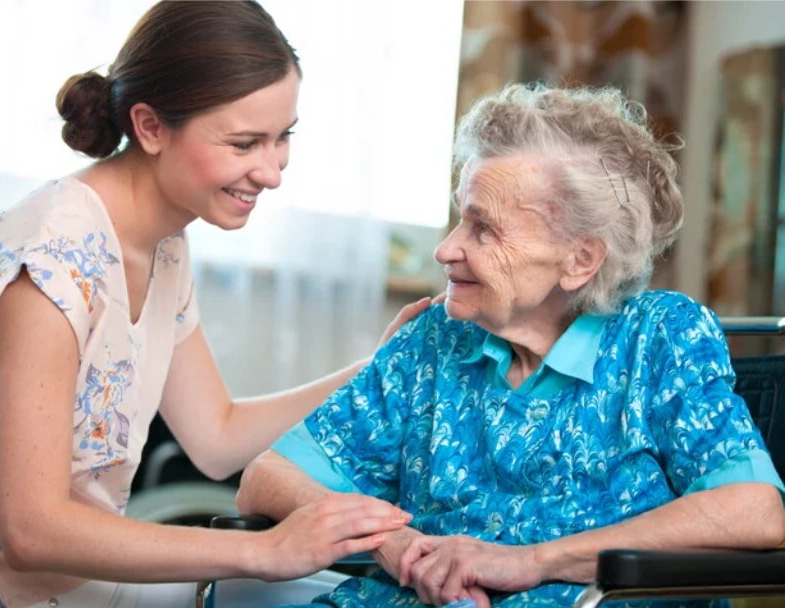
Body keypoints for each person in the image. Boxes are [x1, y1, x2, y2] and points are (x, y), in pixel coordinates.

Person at [0, 2, 426, 606]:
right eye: (244, 143)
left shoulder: (162, 242)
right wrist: (266, 550)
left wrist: (377, 368)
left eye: (283, 137)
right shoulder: (51, 266)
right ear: (151, 127)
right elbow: (34, 532)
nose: (272, 172)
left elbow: (216, 436)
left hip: (71, 583)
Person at [237, 84, 785, 608]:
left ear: (580, 260)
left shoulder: (659, 336)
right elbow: (267, 478)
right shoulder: (435, 338)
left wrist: (532, 562)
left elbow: (753, 511)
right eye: (461, 218)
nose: (446, 250)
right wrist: (394, 545)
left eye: (484, 229)